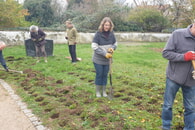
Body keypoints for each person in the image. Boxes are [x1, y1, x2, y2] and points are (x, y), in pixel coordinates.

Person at [161, 23, 195, 130]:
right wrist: (184, 57)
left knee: (191, 108)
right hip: (174, 78)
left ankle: (189, 128)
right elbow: (166, 53)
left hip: (191, 80)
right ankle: (166, 127)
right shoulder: (178, 34)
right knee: (168, 105)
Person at [91, 17, 117, 97]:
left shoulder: (112, 34)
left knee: (105, 75)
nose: (107, 27)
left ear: (110, 26)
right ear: (103, 25)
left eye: (108, 25)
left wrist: (112, 48)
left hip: (107, 60)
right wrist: (104, 53)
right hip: (98, 60)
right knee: (99, 74)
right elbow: (94, 46)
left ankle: (104, 91)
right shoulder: (98, 34)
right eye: (105, 25)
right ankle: (98, 91)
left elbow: (115, 43)